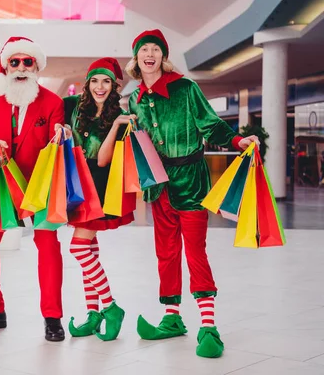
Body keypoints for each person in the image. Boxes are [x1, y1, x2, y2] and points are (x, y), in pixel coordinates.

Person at [119, 29, 259, 358]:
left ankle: (208, 324)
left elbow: (210, 124)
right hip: (159, 185)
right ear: (137, 58)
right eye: (144, 50)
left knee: (195, 252)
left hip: (191, 180)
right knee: (165, 253)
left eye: (155, 49)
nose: (149, 54)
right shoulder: (135, 98)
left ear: (162, 56)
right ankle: (172, 319)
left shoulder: (185, 88)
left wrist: (239, 141)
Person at [0, 36, 67, 341]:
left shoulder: (53, 102)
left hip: (40, 183)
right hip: (1, 179)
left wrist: (61, 137)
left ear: (36, 66)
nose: (22, 67)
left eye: (28, 61)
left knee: (47, 244)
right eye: (15, 61)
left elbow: (56, 141)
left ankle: (52, 317)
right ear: (5, 66)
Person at [62, 58, 134, 341]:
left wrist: (116, 125)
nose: (100, 87)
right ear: (87, 84)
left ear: (114, 86)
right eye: (94, 81)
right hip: (78, 183)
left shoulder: (118, 115)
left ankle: (111, 306)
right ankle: (93, 314)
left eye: (105, 81)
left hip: (99, 186)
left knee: (79, 250)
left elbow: (103, 160)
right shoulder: (76, 110)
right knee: (89, 251)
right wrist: (65, 132)